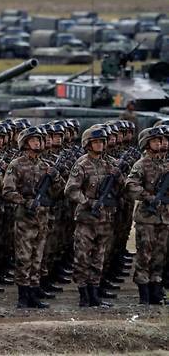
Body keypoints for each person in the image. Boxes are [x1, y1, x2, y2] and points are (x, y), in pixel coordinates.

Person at [2, 126, 65, 309]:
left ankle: (34, 293)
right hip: (25, 218)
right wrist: (25, 201)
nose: (37, 143)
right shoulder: (16, 165)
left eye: (39, 140)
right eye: (33, 140)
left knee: (38, 257)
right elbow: (7, 191)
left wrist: (56, 178)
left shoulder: (46, 166)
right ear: (25, 143)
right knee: (24, 258)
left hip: (42, 218)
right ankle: (23, 296)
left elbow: (58, 192)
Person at [65, 126, 122, 307]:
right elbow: (71, 190)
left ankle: (94, 295)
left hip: (105, 219)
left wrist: (118, 177)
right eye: (95, 142)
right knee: (82, 258)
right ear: (88, 144)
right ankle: (84, 295)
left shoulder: (110, 164)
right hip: (86, 219)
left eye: (101, 142)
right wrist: (88, 202)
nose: (99, 145)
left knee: (99, 258)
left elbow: (122, 189)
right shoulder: (81, 164)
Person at [125, 126, 169, 305]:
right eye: (155, 140)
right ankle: (144, 293)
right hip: (147, 219)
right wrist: (149, 197)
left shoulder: (166, 164)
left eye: (161, 140)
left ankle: (156, 290)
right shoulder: (141, 164)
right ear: (146, 143)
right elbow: (131, 185)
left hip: (165, 217)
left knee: (160, 255)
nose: (160, 143)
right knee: (144, 255)